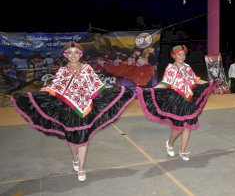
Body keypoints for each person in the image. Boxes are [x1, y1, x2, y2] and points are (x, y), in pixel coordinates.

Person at [11, 42, 135, 181]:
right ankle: (75, 159)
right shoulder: (62, 71)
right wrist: (35, 95)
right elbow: (54, 87)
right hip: (67, 109)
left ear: (81, 54)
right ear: (66, 55)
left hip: (85, 108)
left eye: (76, 52)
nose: (73, 55)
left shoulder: (87, 68)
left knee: (83, 138)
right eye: (70, 52)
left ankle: (81, 168)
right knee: (71, 138)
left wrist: (117, 90)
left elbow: (97, 84)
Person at [135, 45, 217, 161]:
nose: (182, 57)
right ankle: (170, 143)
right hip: (177, 100)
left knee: (188, 126)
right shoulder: (170, 68)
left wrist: (210, 83)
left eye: (183, 54)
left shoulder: (187, 67)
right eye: (179, 55)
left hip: (189, 99)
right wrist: (151, 90)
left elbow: (195, 80)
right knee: (178, 128)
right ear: (174, 56)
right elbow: (165, 83)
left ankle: (183, 151)